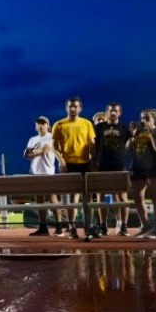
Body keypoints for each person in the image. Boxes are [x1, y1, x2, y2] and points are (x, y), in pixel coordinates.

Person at [51, 96, 96, 239]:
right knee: (71, 199)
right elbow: (53, 147)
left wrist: (92, 160)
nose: (72, 109)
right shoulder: (59, 125)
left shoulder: (87, 123)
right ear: (66, 108)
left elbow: (91, 144)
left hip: (84, 164)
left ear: (80, 108)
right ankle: (72, 228)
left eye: (75, 106)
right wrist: (61, 161)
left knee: (86, 198)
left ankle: (88, 227)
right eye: (70, 106)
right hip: (68, 164)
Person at [127, 109, 156, 239]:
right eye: (142, 118)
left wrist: (150, 133)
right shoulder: (138, 132)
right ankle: (145, 225)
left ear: (154, 119)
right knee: (137, 197)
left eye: (147, 118)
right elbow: (128, 148)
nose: (143, 121)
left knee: (155, 196)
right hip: (138, 167)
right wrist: (133, 135)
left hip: (153, 167)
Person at [92, 103, 131, 236]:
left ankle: (124, 225)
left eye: (115, 111)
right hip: (103, 165)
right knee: (102, 196)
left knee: (122, 196)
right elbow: (93, 146)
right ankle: (103, 225)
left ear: (120, 113)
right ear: (106, 112)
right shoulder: (98, 128)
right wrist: (94, 162)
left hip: (119, 165)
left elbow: (129, 144)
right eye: (110, 111)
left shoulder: (125, 128)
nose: (113, 113)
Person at [25, 116, 64, 237]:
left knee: (53, 199)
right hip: (35, 173)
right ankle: (43, 227)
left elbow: (45, 150)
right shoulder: (32, 139)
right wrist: (35, 152)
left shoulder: (51, 137)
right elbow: (26, 154)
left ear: (48, 125)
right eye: (38, 123)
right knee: (39, 200)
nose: (41, 125)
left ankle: (59, 227)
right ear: (35, 126)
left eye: (43, 123)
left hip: (47, 172)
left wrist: (34, 152)